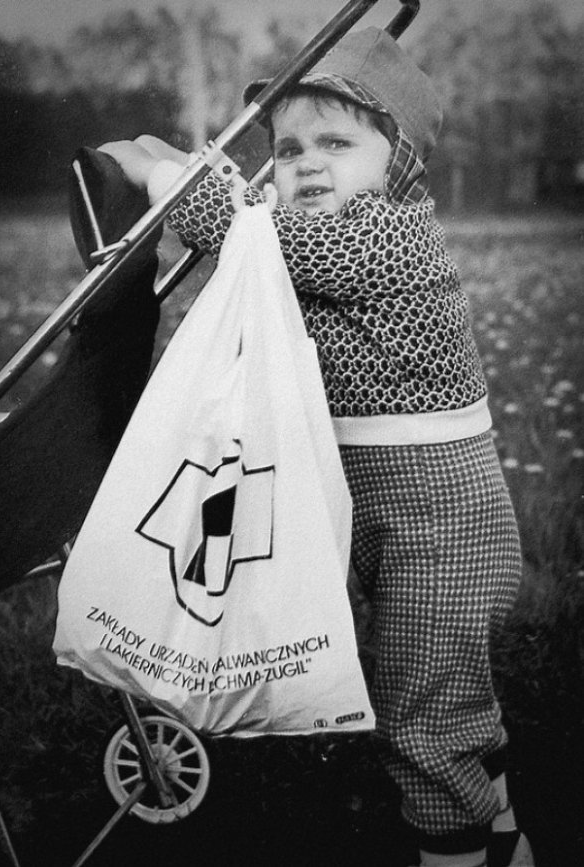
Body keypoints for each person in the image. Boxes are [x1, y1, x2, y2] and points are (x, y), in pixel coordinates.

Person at [98, 26, 534, 867]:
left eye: (338, 142)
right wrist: (179, 158)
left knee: (424, 710)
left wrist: (155, 169)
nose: (304, 164)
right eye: (289, 147)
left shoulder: (384, 235)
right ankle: (503, 832)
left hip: (441, 525)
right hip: (382, 513)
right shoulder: (315, 238)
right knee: (438, 690)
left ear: (398, 162)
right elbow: (254, 233)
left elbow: (243, 231)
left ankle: (459, 850)